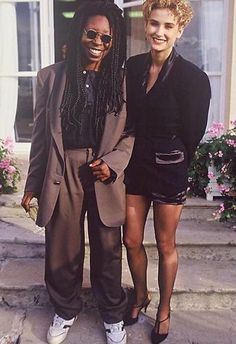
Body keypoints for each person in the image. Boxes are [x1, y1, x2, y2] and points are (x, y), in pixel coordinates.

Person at [21, 1, 134, 344]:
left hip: (102, 171)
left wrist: (112, 164)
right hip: (63, 169)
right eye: (91, 33)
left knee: (108, 248)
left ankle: (113, 315)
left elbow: (131, 134)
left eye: (106, 37)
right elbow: (41, 136)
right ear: (78, 33)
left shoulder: (122, 80)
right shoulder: (51, 77)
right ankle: (65, 310)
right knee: (62, 248)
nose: (98, 41)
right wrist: (32, 184)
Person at [123, 1, 211, 343]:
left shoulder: (193, 77)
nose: (159, 32)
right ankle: (141, 295)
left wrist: (174, 158)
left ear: (180, 30)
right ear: (146, 25)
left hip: (170, 167)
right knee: (130, 239)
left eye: (168, 26)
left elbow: (194, 132)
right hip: (136, 164)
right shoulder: (132, 67)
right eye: (155, 24)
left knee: (165, 243)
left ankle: (164, 310)